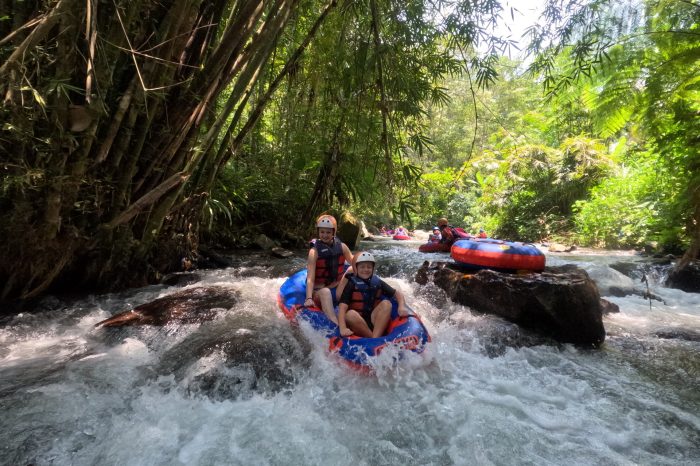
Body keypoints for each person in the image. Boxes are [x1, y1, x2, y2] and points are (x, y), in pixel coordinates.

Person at [338, 251, 408, 338]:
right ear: (356, 268)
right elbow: (342, 307)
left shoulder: (377, 281)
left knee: (387, 303)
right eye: (362, 267)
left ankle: (375, 338)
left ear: (373, 269)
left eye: (369, 267)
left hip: (373, 319)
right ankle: (373, 338)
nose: (366, 270)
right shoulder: (352, 283)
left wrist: (401, 306)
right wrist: (343, 328)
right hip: (357, 321)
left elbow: (397, 293)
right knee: (350, 314)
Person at [305, 214, 354, 324]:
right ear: (318, 232)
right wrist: (308, 298)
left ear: (333, 232)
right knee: (326, 291)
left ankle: (353, 314)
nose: (325, 235)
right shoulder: (314, 251)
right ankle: (335, 323)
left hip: (337, 288)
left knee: (352, 269)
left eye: (328, 232)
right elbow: (310, 278)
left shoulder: (342, 247)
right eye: (322, 232)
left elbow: (355, 264)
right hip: (320, 291)